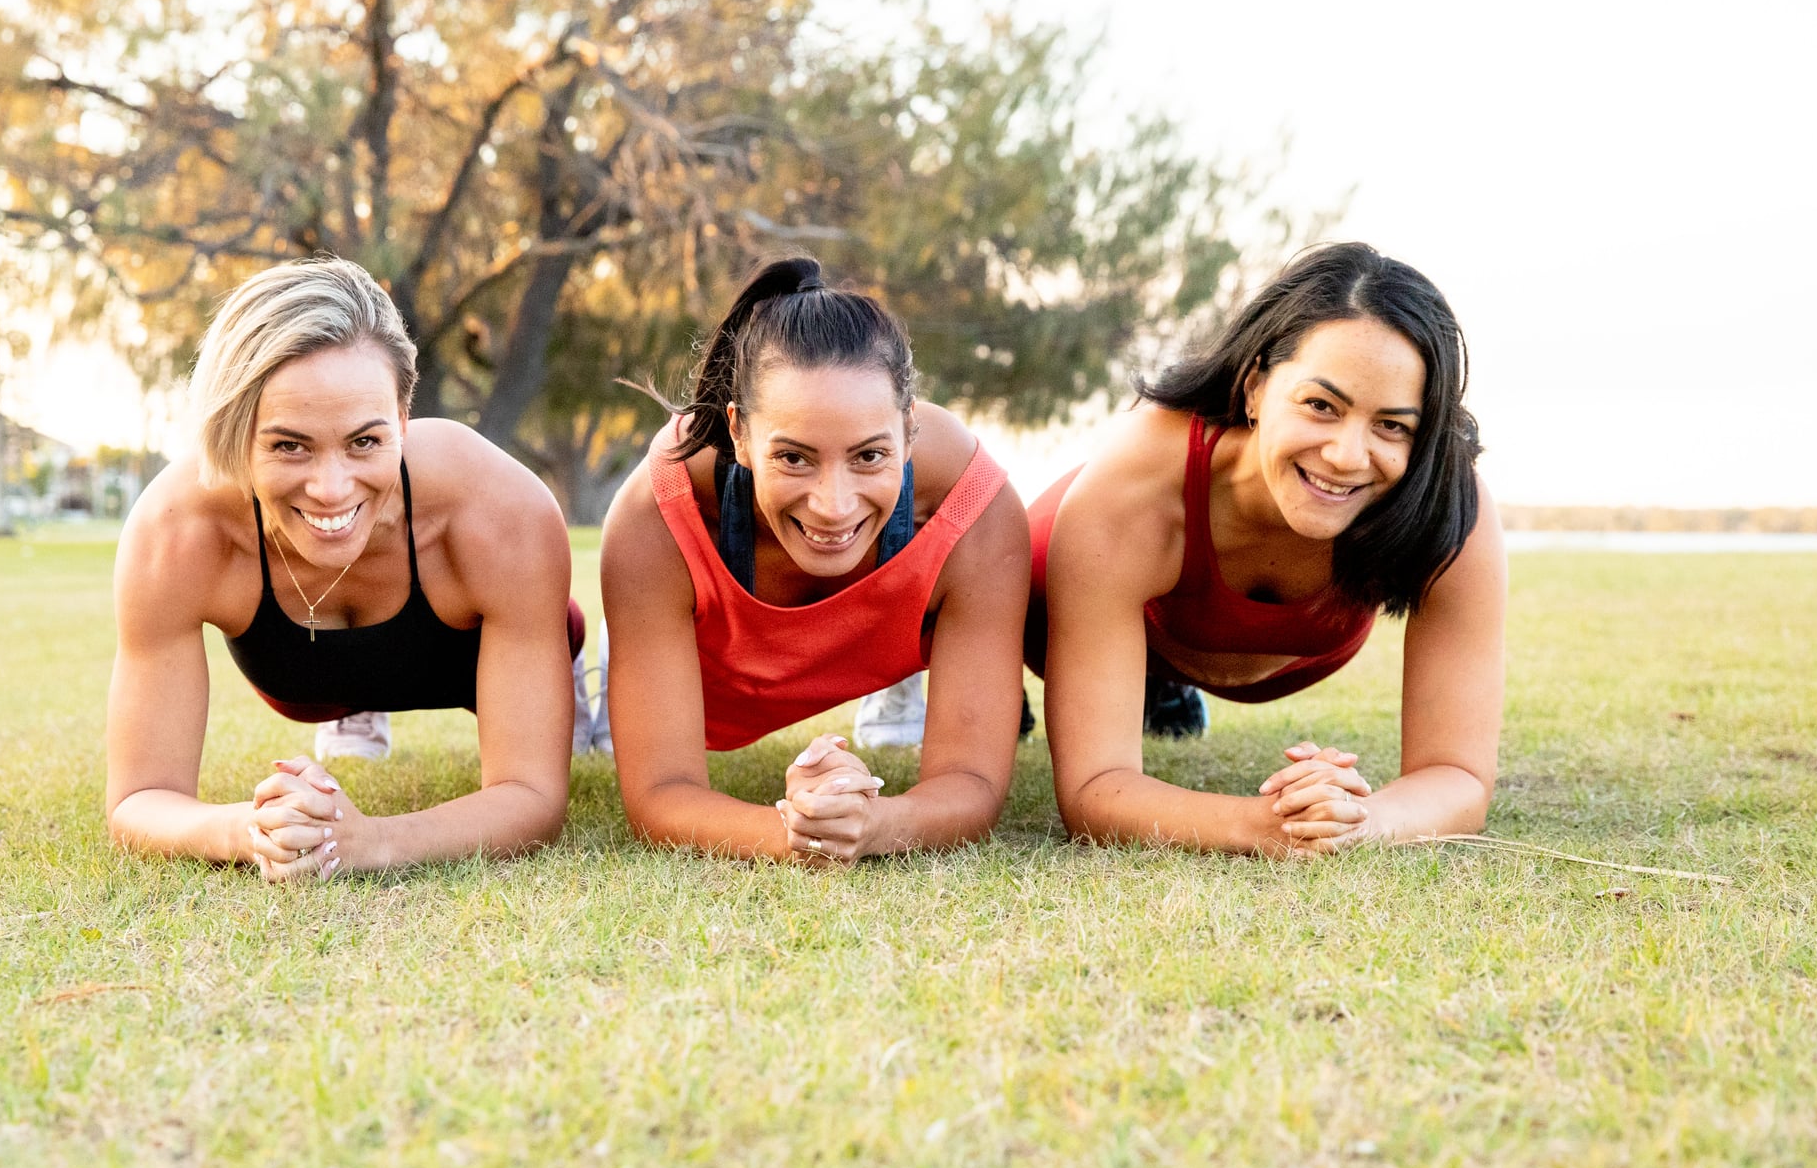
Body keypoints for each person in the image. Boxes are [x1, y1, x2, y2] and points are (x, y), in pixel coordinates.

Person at [105, 258, 582, 881]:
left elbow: (533, 798)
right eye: (288, 445)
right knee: (319, 692)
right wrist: (248, 831)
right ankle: (355, 705)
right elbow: (138, 801)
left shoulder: (500, 509)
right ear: (234, 435)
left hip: (459, 658)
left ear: (404, 423)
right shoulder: (175, 531)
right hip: (305, 681)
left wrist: (372, 841)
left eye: (365, 442)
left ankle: (577, 695)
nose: (331, 490)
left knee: (559, 634)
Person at [1030, 242, 1504, 857]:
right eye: (1320, 405)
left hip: (1265, 657)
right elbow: (1094, 793)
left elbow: (1460, 775)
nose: (1346, 456)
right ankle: (1109, 678)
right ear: (1255, 388)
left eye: (1391, 425)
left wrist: (1360, 821)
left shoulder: (1447, 505)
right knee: (1012, 582)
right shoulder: (1134, 489)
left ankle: (1156, 685)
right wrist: (1260, 826)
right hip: (1046, 604)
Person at [598, 256, 1030, 862]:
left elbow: (972, 784)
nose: (832, 505)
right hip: (712, 678)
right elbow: (662, 795)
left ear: (909, 431)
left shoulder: (970, 506)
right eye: (794, 458)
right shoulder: (659, 517)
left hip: (882, 632)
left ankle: (901, 677)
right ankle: (604, 680)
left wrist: (876, 823)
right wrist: (798, 832)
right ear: (740, 434)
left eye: (870, 456)